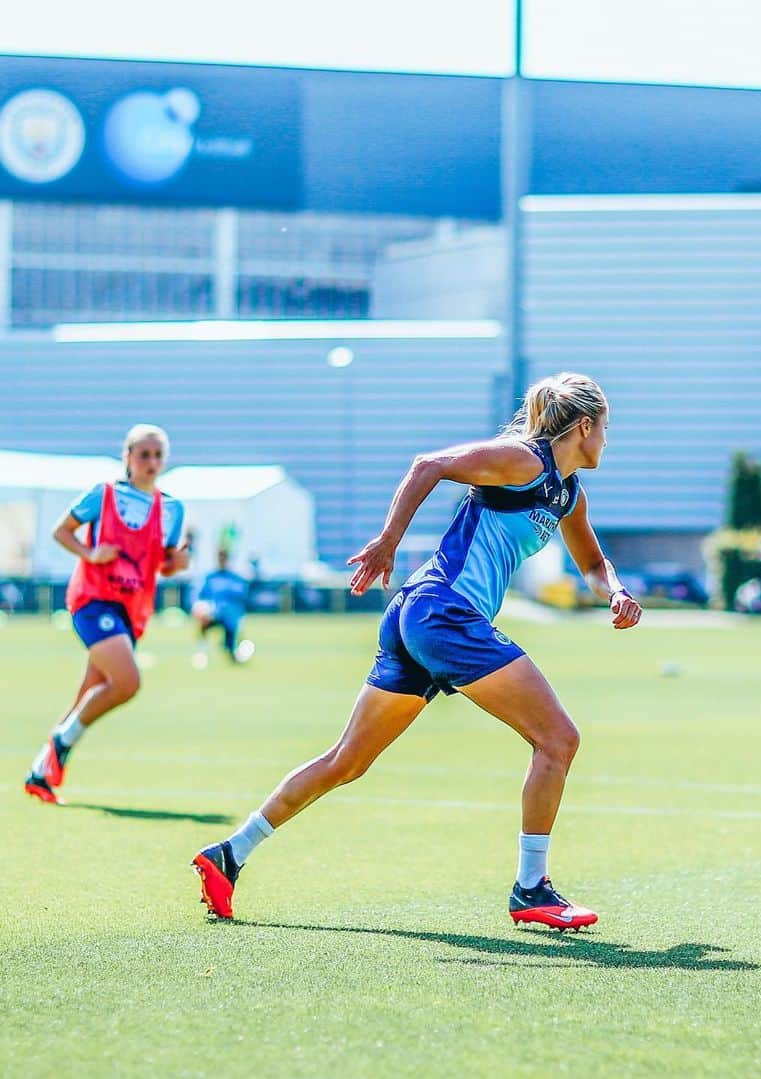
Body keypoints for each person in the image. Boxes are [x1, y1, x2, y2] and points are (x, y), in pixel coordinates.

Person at [192, 372, 642, 928]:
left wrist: (615, 592)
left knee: (347, 761)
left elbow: (593, 565)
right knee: (558, 739)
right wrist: (387, 542)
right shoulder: (525, 461)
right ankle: (531, 889)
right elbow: (428, 465)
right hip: (444, 612)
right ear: (583, 426)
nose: (607, 441)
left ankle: (228, 855)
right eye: (606, 429)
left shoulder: (568, 492)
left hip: (422, 615)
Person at [24, 424, 189, 804]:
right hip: (93, 599)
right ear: (127, 456)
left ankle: (40, 771)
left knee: (89, 693)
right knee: (127, 682)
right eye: (143, 454)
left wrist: (178, 562)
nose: (150, 462)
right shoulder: (105, 494)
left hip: (132, 610)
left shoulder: (172, 508)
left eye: (157, 455)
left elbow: (164, 564)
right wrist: (89, 553)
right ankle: (61, 744)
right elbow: (62, 531)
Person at [192, 548, 252, 667]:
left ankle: (233, 650)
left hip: (231, 616)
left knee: (230, 649)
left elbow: (241, 599)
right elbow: (202, 597)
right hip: (214, 614)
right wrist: (202, 609)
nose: (221, 560)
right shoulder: (211, 577)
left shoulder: (235, 578)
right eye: (220, 557)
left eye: (224, 557)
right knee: (203, 624)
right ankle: (202, 653)